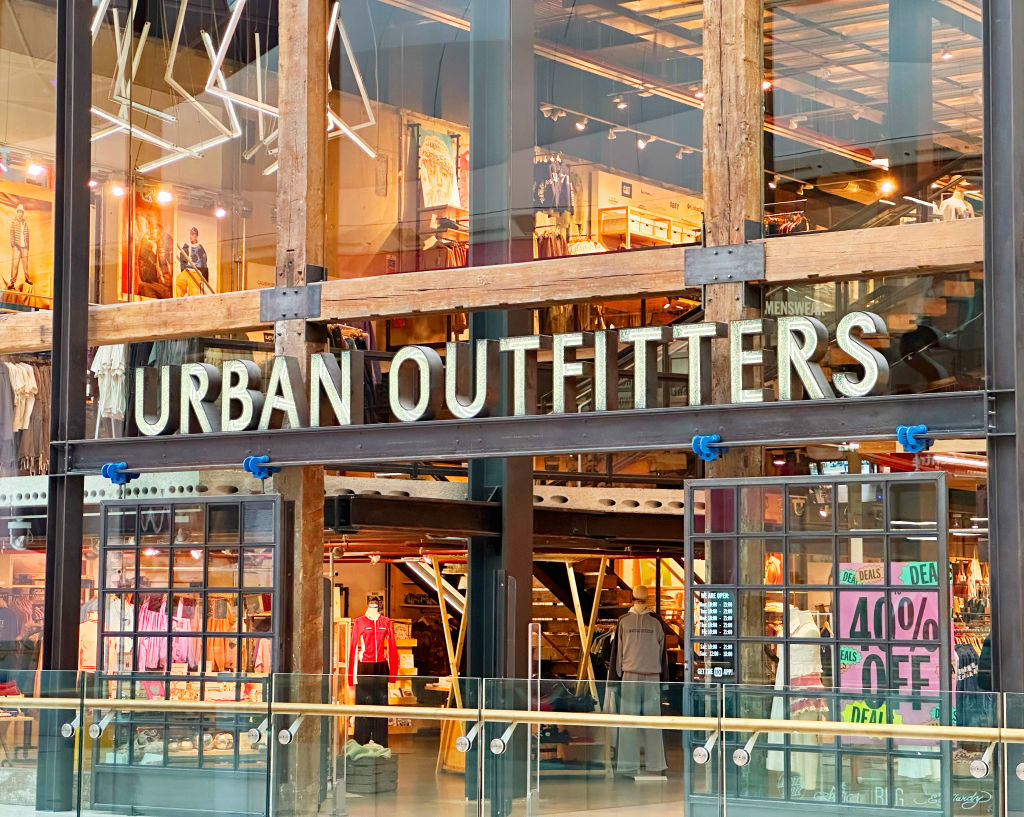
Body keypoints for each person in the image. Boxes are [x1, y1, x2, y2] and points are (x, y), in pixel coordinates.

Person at [8, 203, 30, 291]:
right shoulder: (14, 221)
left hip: (24, 246)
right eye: (19, 212)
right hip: (16, 246)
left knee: (25, 264)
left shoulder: (25, 222)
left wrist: (27, 245)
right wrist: (13, 244)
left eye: (21, 212)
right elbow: (11, 233)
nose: (20, 213)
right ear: (17, 212)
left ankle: (27, 279)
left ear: (23, 213)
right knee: (15, 264)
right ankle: (12, 282)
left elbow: (27, 234)